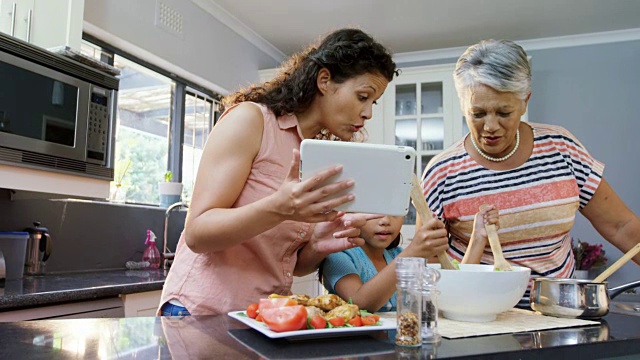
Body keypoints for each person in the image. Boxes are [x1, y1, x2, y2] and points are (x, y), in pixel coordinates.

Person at [159, 28, 399, 316]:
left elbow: (296, 267)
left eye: (373, 102)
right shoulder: (251, 120)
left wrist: (318, 245)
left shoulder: (317, 156)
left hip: (264, 319)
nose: (368, 113)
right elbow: (197, 234)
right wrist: (279, 207)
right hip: (201, 311)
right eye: (363, 96)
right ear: (324, 80)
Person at [420, 39, 640, 306]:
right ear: (462, 104)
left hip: (556, 312)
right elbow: (427, 263)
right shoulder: (442, 172)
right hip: (477, 314)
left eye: (504, 112)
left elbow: (622, 226)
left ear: (525, 101)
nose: (490, 126)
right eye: (477, 113)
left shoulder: (562, 148)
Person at [321, 207, 498, 313]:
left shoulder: (397, 254)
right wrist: (412, 253)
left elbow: (456, 290)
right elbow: (360, 304)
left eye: (395, 212)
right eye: (374, 212)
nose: (385, 221)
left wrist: (478, 238)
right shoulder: (339, 256)